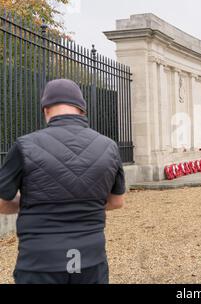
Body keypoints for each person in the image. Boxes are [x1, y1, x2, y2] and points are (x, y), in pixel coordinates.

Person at [0, 79, 126, 284]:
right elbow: (117, 202)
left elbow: (2, 203)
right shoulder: (109, 147)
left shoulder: (25, 146)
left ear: (46, 109)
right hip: (90, 258)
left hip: (40, 261)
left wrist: (31, 202)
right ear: (82, 110)